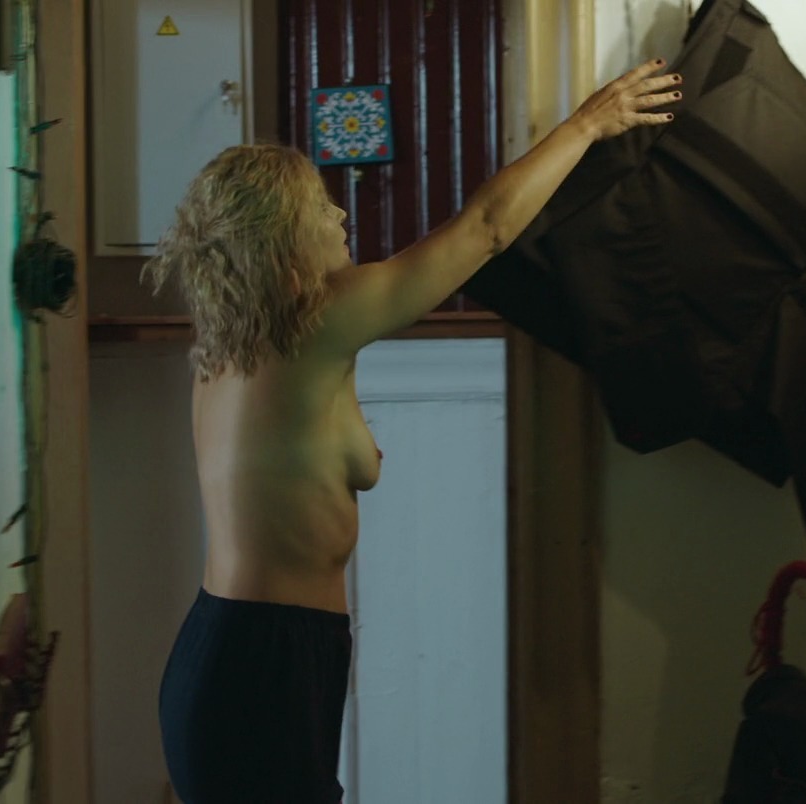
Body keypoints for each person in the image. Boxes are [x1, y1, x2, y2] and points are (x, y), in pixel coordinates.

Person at [148, 59, 682, 803]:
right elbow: (486, 230)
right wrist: (589, 124)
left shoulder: (233, 349)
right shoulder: (318, 325)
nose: (341, 218)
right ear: (281, 236)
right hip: (264, 662)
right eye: (320, 209)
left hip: (234, 652)